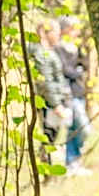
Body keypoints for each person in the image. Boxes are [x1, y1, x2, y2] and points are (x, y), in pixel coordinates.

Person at [55, 16, 91, 175]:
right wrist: (77, 71)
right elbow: (66, 70)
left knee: (74, 129)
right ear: (64, 30)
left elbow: (86, 65)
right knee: (83, 127)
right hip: (68, 94)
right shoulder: (59, 48)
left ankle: (72, 162)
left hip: (79, 91)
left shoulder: (76, 48)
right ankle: (71, 159)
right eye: (72, 29)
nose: (75, 32)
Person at [30, 20, 72, 149]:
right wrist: (56, 104)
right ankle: (43, 166)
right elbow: (45, 82)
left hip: (54, 101)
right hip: (48, 104)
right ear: (44, 33)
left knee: (51, 139)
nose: (59, 35)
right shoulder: (41, 53)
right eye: (56, 32)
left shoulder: (49, 51)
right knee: (48, 139)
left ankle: (45, 164)